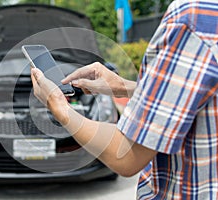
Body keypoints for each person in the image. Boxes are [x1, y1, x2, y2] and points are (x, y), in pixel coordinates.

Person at [30, 0, 218, 199]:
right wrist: (123, 87)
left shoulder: (193, 16)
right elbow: (202, 96)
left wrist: (59, 106)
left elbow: (126, 154)